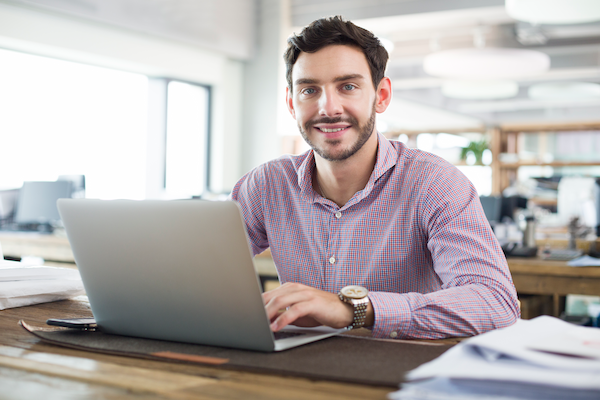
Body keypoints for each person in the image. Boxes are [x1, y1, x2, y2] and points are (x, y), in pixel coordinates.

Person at [231, 16, 519, 339]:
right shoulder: (266, 185)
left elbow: (497, 302)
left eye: (348, 87)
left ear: (381, 96)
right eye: (309, 90)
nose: (328, 107)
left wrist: (355, 309)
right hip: (295, 371)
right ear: (291, 103)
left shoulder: (436, 183)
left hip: (404, 376)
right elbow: (202, 268)